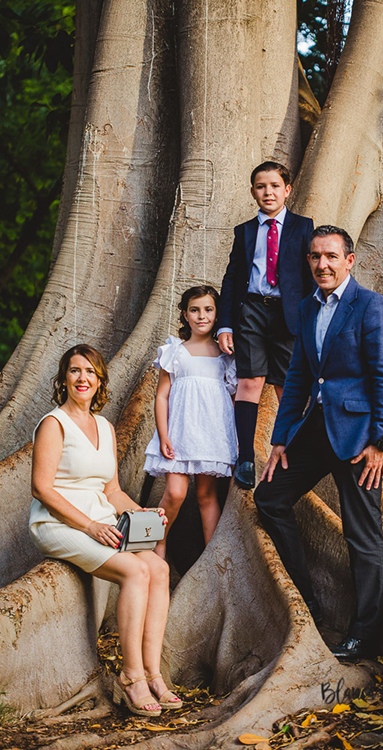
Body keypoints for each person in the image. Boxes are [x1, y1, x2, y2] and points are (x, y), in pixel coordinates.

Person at [254, 225, 383, 660]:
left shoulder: (370, 306)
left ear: (349, 261)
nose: (322, 264)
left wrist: (382, 441)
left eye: (331, 257)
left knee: (363, 535)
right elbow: (299, 377)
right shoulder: (305, 308)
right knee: (270, 498)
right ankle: (306, 600)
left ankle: (364, 632)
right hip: (316, 428)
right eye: (316, 257)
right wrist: (280, 439)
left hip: (361, 439)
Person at [29, 345, 178, 717]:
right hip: (57, 522)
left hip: (102, 521)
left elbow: (111, 491)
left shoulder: (105, 426)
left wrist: (141, 512)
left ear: (100, 382)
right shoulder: (53, 423)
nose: (83, 378)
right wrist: (91, 526)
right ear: (64, 378)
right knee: (135, 570)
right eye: (75, 371)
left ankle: (153, 672)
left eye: (90, 372)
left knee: (159, 569)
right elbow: (42, 488)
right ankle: (130, 677)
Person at [217, 161, 315, 489]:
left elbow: (310, 277)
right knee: (250, 382)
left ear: (287, 190)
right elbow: (232, 279)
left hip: (289, 315)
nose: (268, 192)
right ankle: (245, 457)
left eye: (274, 186)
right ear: (253, 192)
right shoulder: (245, 231)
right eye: (261, 187)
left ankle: (290, 452)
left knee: (287, 386)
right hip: (252, 312)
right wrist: (225, 324)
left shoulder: (303, 227)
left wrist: (312, 320)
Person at [143, 285, 237, 559]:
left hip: (212, 435)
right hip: (180, 433)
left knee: (207, 497)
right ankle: (158, 543)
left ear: (217, 314)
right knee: (175, 493)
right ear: (184, 315)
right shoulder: (175, 351)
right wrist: (163, 435)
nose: (201, 316)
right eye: (194, 310)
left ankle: (212, 558)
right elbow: (162, 397)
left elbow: (231, 399)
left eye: (208, 309)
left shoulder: (226, 354)